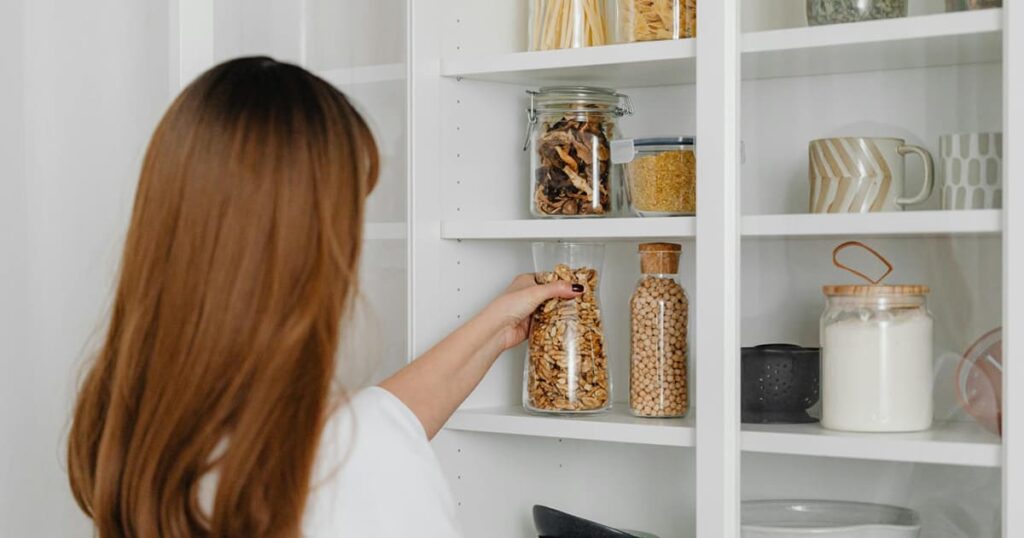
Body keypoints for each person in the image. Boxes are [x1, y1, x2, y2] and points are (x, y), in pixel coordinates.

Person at [66, 57, 581, 537]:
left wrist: (493, 328)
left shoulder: (133, 429)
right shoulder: (362, 460)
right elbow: (358, 447)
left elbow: (369, 424)